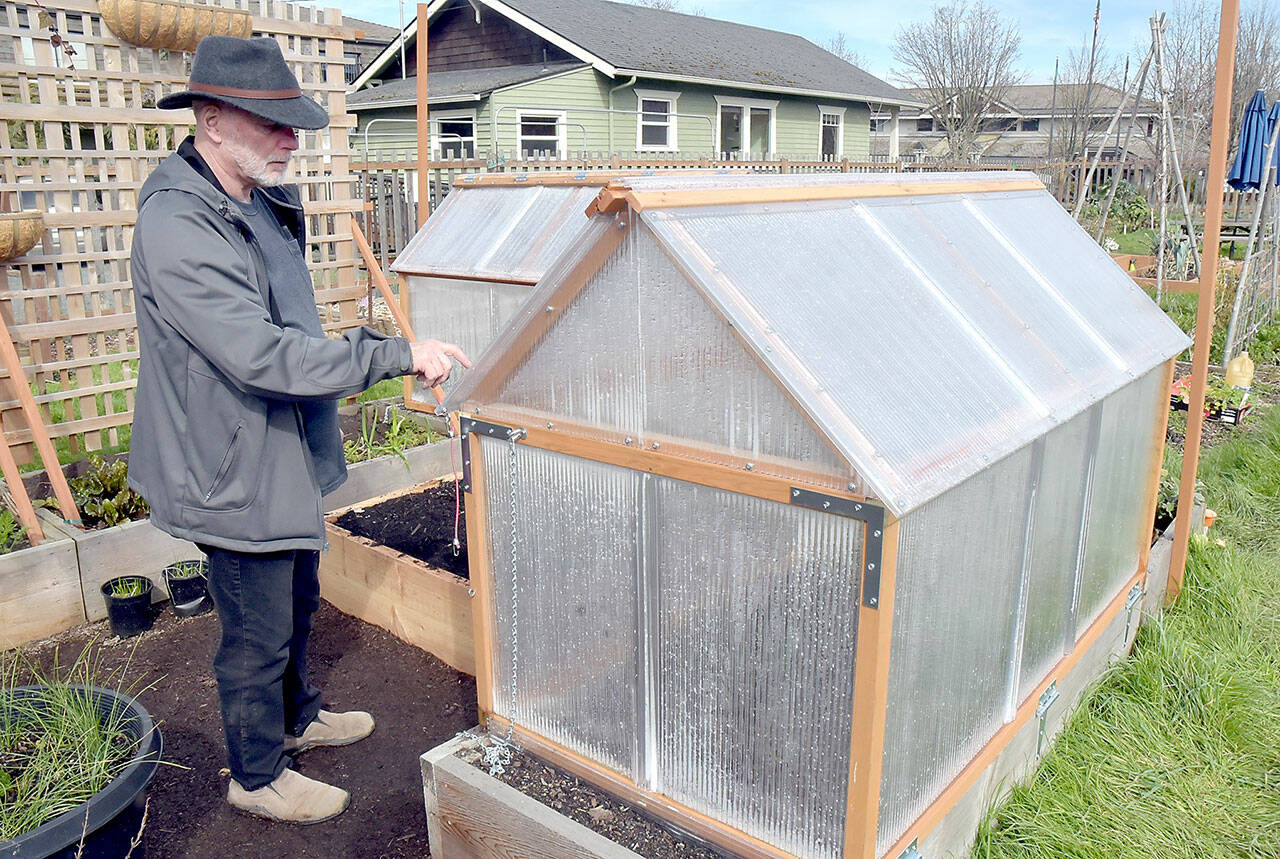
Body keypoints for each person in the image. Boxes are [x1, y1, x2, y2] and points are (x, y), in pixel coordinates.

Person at [127, 36, 469, 824]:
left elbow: (291, 322)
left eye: (295, 125)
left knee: (298, 600)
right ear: (211, 121)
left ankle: (297, 716)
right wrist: (391, 353)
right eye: (273, 125)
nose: (293, 140)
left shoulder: (259, 198)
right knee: (255, 631)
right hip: (228, 464)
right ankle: (256, 773)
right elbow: (258, 353)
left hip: (279, 447)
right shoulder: (179, 225)